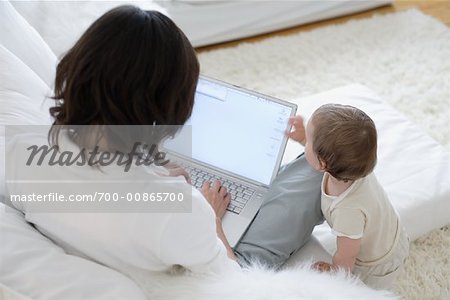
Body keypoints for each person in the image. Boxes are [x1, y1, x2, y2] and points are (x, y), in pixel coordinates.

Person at [6, 5, 323, 278]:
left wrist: (149, 168)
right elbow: (232, 281)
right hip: (201, 251)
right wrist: (211, 217)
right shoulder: (181, 209)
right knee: (316, 170)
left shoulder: (20, 148)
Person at [288, 103, 409, 289]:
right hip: (390, 230)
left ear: (322, 163)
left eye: (309, 138)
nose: (307, 141)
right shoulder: (354, 164)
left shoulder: (348, 210)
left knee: (362, 291)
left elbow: (347, 256)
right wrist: (304, 138)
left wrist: (335, 272)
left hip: (377, 263)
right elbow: (327, 156)